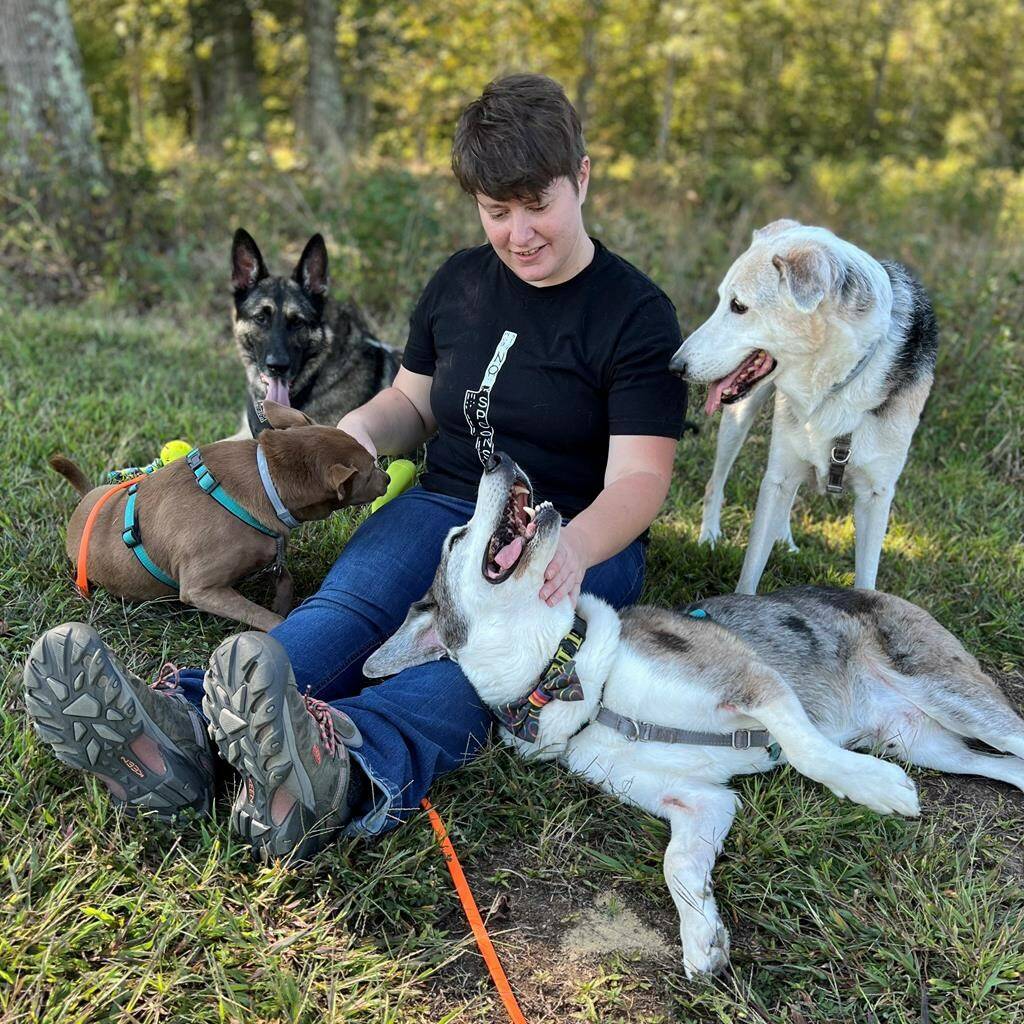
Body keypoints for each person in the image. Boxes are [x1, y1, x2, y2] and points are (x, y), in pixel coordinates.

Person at [23, 73, 688, 861]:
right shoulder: (459, 285)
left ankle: (335, 768)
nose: (518, 234)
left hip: (567, 541)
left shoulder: (635, 315)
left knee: (475, 662)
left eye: (537, 204)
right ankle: (178, 734)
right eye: (495, 211)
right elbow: (413, 401)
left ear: (581, 177)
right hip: (446, 505)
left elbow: (641, 482)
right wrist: (359, 435)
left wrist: (573, 548)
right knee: (349, 609)